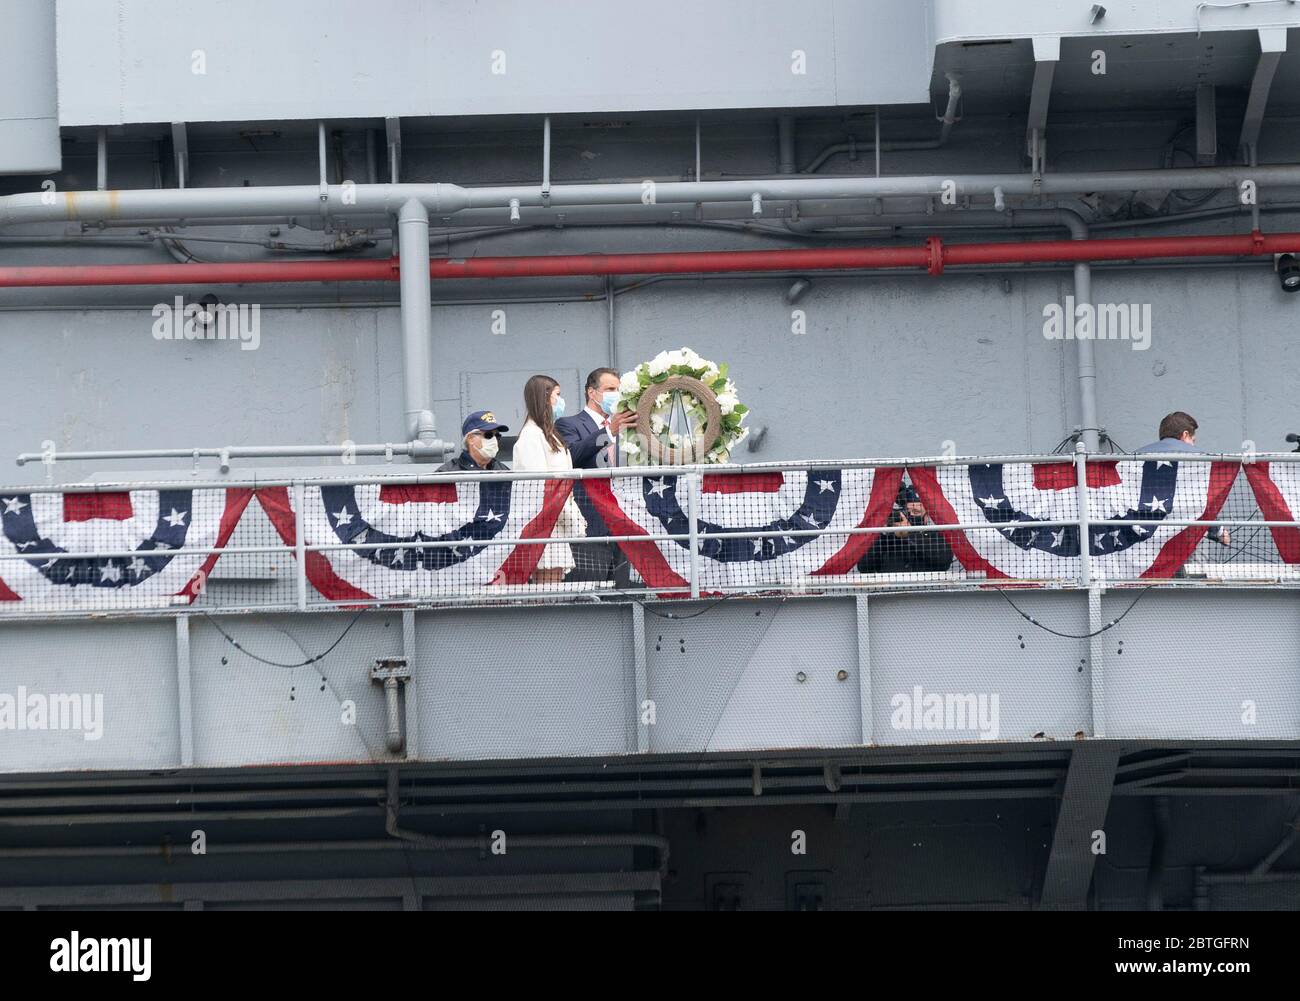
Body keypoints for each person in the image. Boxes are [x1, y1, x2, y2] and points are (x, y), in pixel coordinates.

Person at [556, 367, 638, 584]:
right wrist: (609, 432)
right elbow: (572, 455)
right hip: (590, 527)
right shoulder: (568, 424)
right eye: (610, 389)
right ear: (592, 393)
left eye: (619, 390)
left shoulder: (627, 428)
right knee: (587, 591)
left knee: (624, 594)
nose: (616, 394)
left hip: (622, 525)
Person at [512, 374, 586, 584]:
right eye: (557, 395)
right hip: (545, 524)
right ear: (544, 397)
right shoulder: (531, 437)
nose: (560, 401)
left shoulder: (548, 434)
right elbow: (539, 487)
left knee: (554, 583)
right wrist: (570, 516)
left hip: (556, 521)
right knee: (548, 588)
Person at [1136, 411, 1230, 545]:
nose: (1193, 445)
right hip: (1187, 538)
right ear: (1185, 435)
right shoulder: (1197, 461)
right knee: (1194, 566)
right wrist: (1218, 531)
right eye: (1193, 440)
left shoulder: (1136, 458)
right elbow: (1200, 503)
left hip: (1149, 540)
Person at [858, 483, 954, 575]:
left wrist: (910, 535)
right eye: (907, 511)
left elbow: (943, 561)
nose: (910, 515)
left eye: (916, 512)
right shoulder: (887, 536)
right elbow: (864, 567)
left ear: (926, 517)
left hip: (925, 589)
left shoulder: (937, 535)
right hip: (890, 589)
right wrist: (884, 530)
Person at [438, 410, 509, 472]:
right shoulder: (447, 474)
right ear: (470, 438)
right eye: (488, 435)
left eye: (497, 436)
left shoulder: (503, 471)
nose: (494, 440)